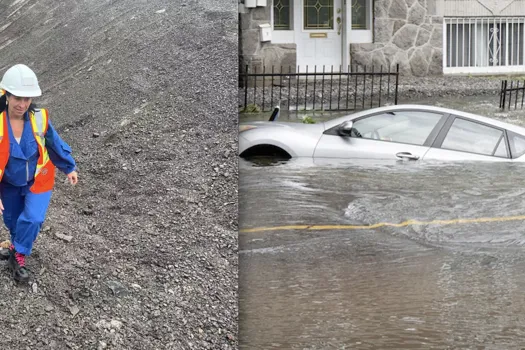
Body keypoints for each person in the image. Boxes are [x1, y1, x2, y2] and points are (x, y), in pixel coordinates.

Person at [0, 64, 78, 282]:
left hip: (38, 180)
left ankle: (19, 255)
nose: (23, 104)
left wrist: (69, 166)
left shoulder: (39, 117)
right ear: (7, 94)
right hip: (8, 184)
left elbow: (53, 142)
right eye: (18, 98)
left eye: (27, 99)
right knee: (14, 222)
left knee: (33, 219)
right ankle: (17, 249)